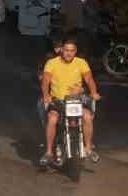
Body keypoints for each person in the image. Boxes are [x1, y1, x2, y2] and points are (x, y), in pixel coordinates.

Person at [40, 38, 102, 166]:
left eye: (72, 51)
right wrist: (46, 95)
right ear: (62, 50)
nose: (69, 53)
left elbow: (89, 79)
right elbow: (45, 81)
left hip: (76, 100)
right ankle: (48, 152)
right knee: (52, 119)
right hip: (58, 100)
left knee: (87, 117)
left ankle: (88, 148)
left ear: (75, 51)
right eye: (66, 50)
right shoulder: (52, 63)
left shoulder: (81, 63)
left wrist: (94, 93)